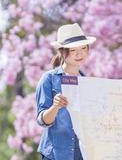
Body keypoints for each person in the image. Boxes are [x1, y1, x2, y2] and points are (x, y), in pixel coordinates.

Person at [35, 23, 96, 160]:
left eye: (83, 48)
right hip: (55, 155)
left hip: (81, 155)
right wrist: (56, 106)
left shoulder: (88, 82)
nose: (79, 54)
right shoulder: (49, 79)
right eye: (73, 50)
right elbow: (42, 120)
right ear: (62, 52)